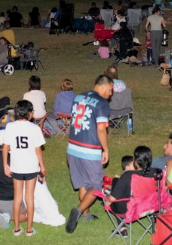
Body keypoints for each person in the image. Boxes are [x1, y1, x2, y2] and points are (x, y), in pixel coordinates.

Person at [65, 74, 114, 234]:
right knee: (95, 185)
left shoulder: (78, 97)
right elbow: (101, 129)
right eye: (111, 90)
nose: (111, 94)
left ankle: (86, 214)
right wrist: (105, 149)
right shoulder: (102, 103)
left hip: (72, 147)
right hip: (89, 149)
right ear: (104, 86)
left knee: (83, 183)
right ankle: (78, 211)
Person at [3, 100, 46, 237]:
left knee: (17, 198)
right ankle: (29, 230)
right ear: (29, 113)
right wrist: (42, 166)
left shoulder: (10, 127)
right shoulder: (34, 128)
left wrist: (5, 164)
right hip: (31, 167)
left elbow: (5, 147)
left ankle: (16, 229)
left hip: (16, 166)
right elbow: (38, 150)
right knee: (29, 198)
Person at [106, 148, 158, 217]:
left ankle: (122, 227)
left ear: (136, 161)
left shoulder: (128, 175)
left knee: (116, 182)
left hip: (131, 208)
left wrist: (106, 201)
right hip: (151, 205)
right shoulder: (156, 172)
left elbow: (112, 199)